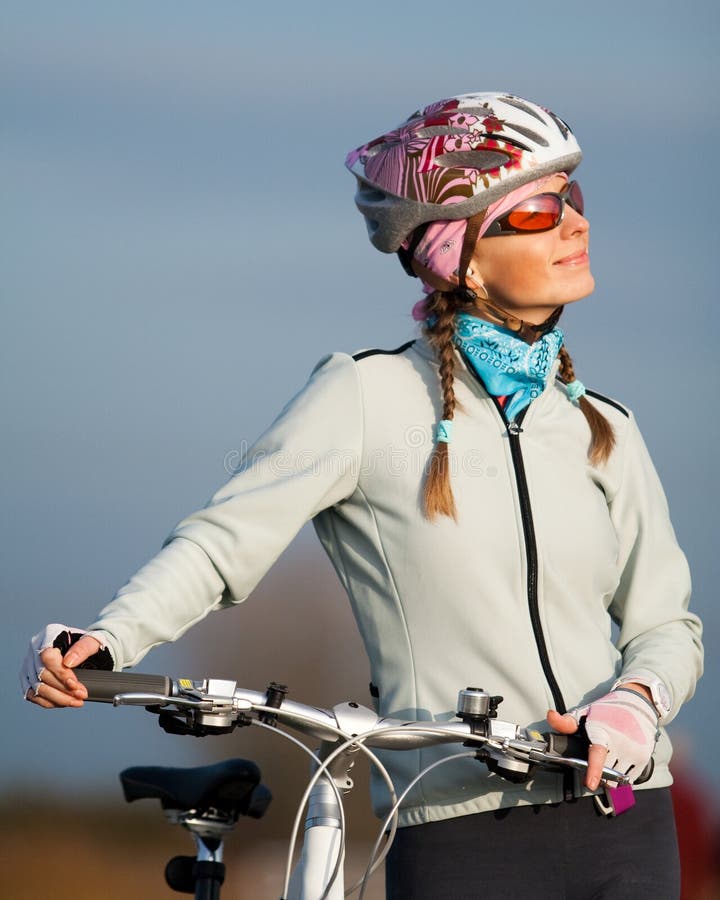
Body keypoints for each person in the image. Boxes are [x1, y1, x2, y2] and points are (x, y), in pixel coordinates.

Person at [21, 92, 703, 899]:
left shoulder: (606, 428)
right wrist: (107, 642)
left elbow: (668, 624)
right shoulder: (365, 398)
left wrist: (635, 700)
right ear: (462, 256)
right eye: (541, 211)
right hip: (460, 827)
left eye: (575, 201)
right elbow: (221, 543)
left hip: (629, 824)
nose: (576, 225)